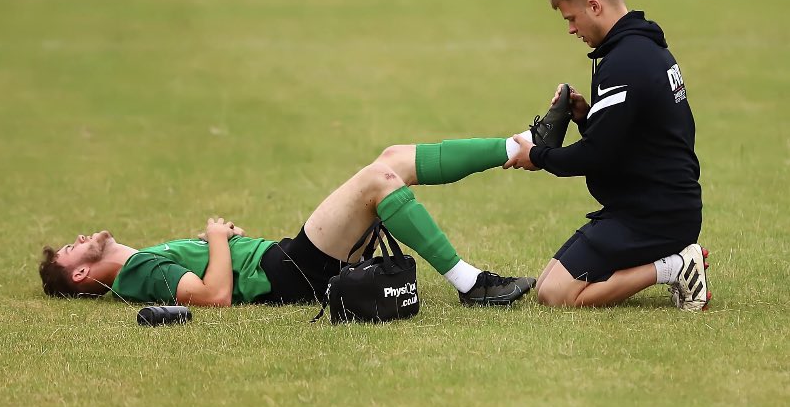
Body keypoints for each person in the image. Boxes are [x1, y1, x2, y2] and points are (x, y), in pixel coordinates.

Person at [39, 134, 549, 308]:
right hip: (291, 272)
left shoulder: (139, 263)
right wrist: (218, 238)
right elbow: (212, 296)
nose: (80, 239)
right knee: (379, 179)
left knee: (391, 157)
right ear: (82, 274)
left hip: (289, 262)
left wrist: (220, 244)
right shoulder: (136, 273)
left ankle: (520, 143)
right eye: (71, 249)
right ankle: (471, 284)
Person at [506, 0, 710, 311]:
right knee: (548, 280)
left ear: (595, 6)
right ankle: (672, 260)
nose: (570, 29)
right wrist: (586, 115)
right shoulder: (642, 48)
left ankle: (675, 266)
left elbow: (596, 154)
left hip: (655, 216)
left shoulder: (625, 62)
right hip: (648, 205)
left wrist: (536, 155)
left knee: (556, 295)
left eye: (571, 18)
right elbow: (628, 135)